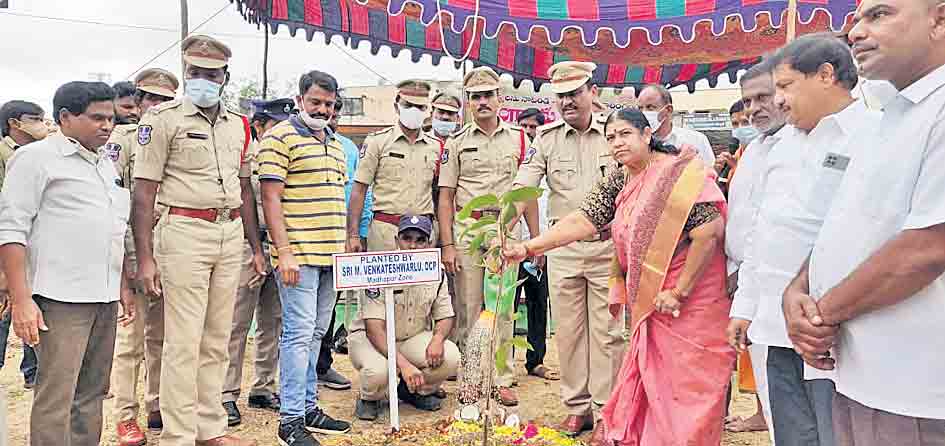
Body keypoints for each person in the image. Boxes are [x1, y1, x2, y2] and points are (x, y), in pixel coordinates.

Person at [504, 107, 733, 446]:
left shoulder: (678, 173)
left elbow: (708, 232)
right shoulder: (620, 176)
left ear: (646, 135)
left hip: (690, 300)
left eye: (625, 134)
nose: (616, 143)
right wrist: (529, 247)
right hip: (650, 300)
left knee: (687, 387)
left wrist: (679, 292)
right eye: (610, 137)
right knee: (654, 381)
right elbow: (583, 219)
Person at [786, 2, 945, 445]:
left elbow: (928, 247)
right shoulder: (891, 113)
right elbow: (849, 220)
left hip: (914, 387)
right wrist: (798, 288)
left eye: (878, 15)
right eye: (854, 20)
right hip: (859, 372)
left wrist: (822, 313)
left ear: (939, 18)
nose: (855, 32)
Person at [738, 34, 880, 446]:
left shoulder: (871, 135)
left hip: (833, 329)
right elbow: (761, 233)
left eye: (785, 86)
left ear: (825, 75)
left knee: (838, 433)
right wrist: (745, 306)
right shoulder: (778, 145)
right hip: (773, 325)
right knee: (793, 435)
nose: (777, 100)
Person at [132, 35, 265, 446]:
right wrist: (146, 258)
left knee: (217, 339)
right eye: (196, 73)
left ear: (225, 77)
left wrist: (256, 248)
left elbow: (245, 189)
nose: (204, 80)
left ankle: (210, 429)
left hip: (228, 234)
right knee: (183, 342)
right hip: (183, 232)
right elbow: (143, 192)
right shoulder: (162, 119)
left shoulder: (239, 124)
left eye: (212, 74)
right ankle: (177, 435)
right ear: (186, 72)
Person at [0, 81, 135, 446]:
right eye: (96, 118)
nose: (107, 125)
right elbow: (11, 230)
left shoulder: (104, 165)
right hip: (59, 298)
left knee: (92, 393)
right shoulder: (35, 159)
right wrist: (22, 299)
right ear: (64, 117)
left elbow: (110, 231)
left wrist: (121, 287)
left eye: (111, 118)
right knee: (56, 396)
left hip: (102, 296)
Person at [512, 62, 620, 436]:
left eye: (575, 92)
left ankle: (607, 411)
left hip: (610, 249)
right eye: (561, 95)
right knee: (570, 332)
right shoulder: (545, 138)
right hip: (564, 250)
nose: (568, 101)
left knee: (609, 333)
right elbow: (523, 187)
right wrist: (502, 228)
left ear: (593, 91)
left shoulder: (615, 133)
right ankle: (578, 408)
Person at [258, 70, 352, 446]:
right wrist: (283, 253)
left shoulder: (333, 141)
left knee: (316, 333)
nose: (322, 109)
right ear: (299, 100)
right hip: (298, 256)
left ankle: (309, 406)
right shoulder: (279, 138)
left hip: (331, 256)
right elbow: (270, 199)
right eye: (315, 102)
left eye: (329, 104)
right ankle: (290, 421)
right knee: (297, 335)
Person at [437, 66, 536, 407]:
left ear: (500, 99)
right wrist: (448, 244)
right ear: (468, 102)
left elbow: (527, 193)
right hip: (468, 230)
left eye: (487, 95)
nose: (482, 102)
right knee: (469, 307)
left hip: (505, 232)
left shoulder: (521, 140)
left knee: (503, 307)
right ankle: (472, 377)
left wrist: (534, 240)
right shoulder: (456, 143)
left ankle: (502, 377)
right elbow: (446, 196)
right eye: (475, 97)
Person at [107, 67, 178, 446]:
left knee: (162, 338)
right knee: (131, 340)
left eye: (166, 100)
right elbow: (112, 202)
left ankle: (156, 405)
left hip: (175, 249)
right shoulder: (123, 139)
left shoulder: (179, 134)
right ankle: (125, 415)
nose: (158, 106)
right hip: (135, 250)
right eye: (151, 99)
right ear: (138, 102)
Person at [721, 61, 787, 441]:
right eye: (748, 100)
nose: (754, 108)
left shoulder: (794, 145)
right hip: (747, 285)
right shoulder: (754, 148)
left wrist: (741, 272)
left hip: (776, 284)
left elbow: (769, 226)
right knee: (768, 383)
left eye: (763, 97)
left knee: (788, 393)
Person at [222, 98, 294, 427]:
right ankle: (225, 394)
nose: (280, 130)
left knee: (273, 322)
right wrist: (255, 249)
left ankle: (264, 385)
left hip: (280, 245)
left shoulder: (291, 154)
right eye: (273, 124)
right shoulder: (246, 158)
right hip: (246, 244)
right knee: (236, 322)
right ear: (259, 126)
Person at [349, 215, 461, 420]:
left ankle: (413, 391)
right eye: (407, 238)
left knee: (450, 355)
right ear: (396, 241)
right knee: (379, 373)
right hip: (372, 340)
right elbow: (374, 330)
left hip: (410, 338)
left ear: (429, 243)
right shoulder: (379, 268)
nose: (413, 246)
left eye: (420, 240)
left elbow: (446, 315)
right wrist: (404, 365)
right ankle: (369, 398)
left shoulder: (437, 270)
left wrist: (437, 339)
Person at [313, 100, 371, 392]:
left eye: (335, 112)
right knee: (300, 312)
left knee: (329, 305)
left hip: (341, 237)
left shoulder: (348, 148)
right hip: (308, 239)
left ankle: (322, 365)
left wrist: (357, 233)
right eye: (325, 110)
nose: (330, 116)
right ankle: (291, 375)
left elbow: (361, 193)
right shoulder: (295, 141)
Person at [347, 80, 441, 254]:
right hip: (386, 232)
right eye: (408, 105)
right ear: (397, 106)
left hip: (423, 234)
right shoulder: (377, 142)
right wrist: (353, 235)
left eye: (420, 107)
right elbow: (359, 190)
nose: (414, 110)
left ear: (427, 111)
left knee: (422, 283)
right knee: (385, 282)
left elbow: (438, 193)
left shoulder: (436, 146)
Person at [0, 99, 46, 390]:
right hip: (7, 242)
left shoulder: (36, 153)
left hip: (29, 243)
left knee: (32, 305)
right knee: (5, 308)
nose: (42, 123)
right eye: (35, 119)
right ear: (15, 123)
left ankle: (33, 372)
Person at [511, 105, 555, 389]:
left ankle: (535, 360)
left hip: (544, 247)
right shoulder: (515, 173)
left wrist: (543, 248)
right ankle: (504, 366)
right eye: (524, 127)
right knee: (508, 306)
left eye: (533, 127)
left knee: (539, 305)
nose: (530, 131)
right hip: (515, 247)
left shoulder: (550, 172)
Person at [636, 84, 715, 166]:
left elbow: (710, 173)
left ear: (668, 110)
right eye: (640, 108)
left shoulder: (696, 140)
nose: (643, 113)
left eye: (650, 107)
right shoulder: (636, 143)